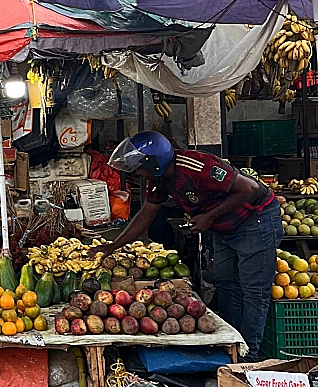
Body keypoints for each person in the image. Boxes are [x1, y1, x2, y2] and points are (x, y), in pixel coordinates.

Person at [97, 131, 281, 361]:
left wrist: (209, 216)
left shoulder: (198, 166)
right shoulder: (159, 180)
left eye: (139, 169)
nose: (138, 174)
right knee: (226, 283)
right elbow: (146, 214)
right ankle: (233, 344)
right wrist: (113, 246)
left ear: (154, 163)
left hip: (256, 219)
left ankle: (249, 355)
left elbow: (249, 189)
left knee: (253, 290)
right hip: (225, 228)